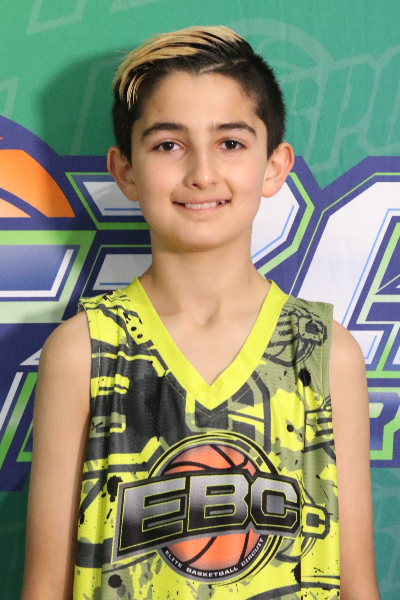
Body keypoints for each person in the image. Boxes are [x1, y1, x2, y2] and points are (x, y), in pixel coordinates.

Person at [21, 25, 380, 600]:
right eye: (168, 145)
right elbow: (45, 586)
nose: (203, 173)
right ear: (126, 170)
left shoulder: (325, 351)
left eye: (230, 143)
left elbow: (357, 582)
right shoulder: (83, 350)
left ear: (274, 166)